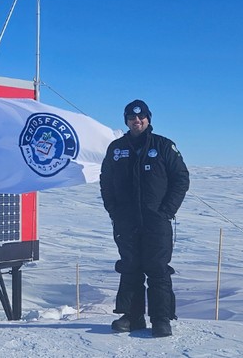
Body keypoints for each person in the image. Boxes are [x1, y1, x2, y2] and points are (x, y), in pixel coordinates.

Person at [100, 99, 190, 338]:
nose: (136, 121)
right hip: (126, 221)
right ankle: (132, 317)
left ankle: (161, 320)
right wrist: (114, 210)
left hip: (156, 221)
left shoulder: (163, 146)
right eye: (131, 118)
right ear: (126, 121)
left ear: (148, 119)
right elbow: (106, 181)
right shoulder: (116, 148)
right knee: (130, 268)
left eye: (140, 118)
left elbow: (181, 179)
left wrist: (167, 211)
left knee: (157, 269)